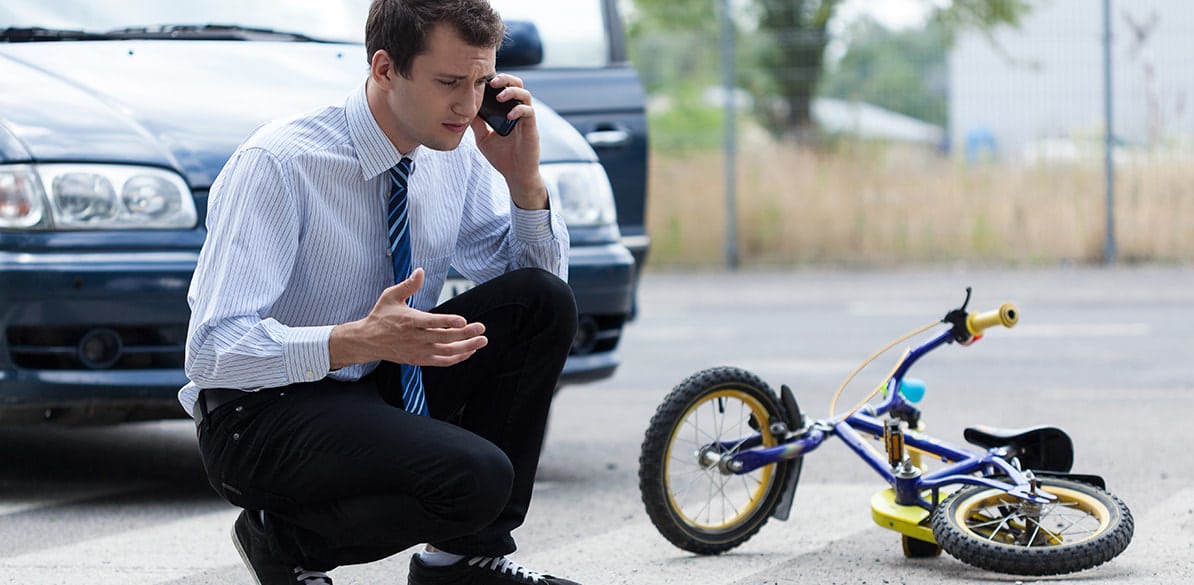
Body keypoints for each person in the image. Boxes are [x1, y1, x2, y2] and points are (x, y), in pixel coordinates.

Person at [179, 1, 581, 584]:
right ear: (385, 67)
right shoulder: (280, 162)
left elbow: (543, 288)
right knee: (479, 477)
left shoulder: (455, 154)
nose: (469, 107)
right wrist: (356, 341)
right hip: (260, 414)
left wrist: (524, 184)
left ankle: (465, 563)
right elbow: (212, 351)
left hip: (373, 387)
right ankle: (282, 541)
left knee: (541, 303)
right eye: (448, 83)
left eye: (479, 82)